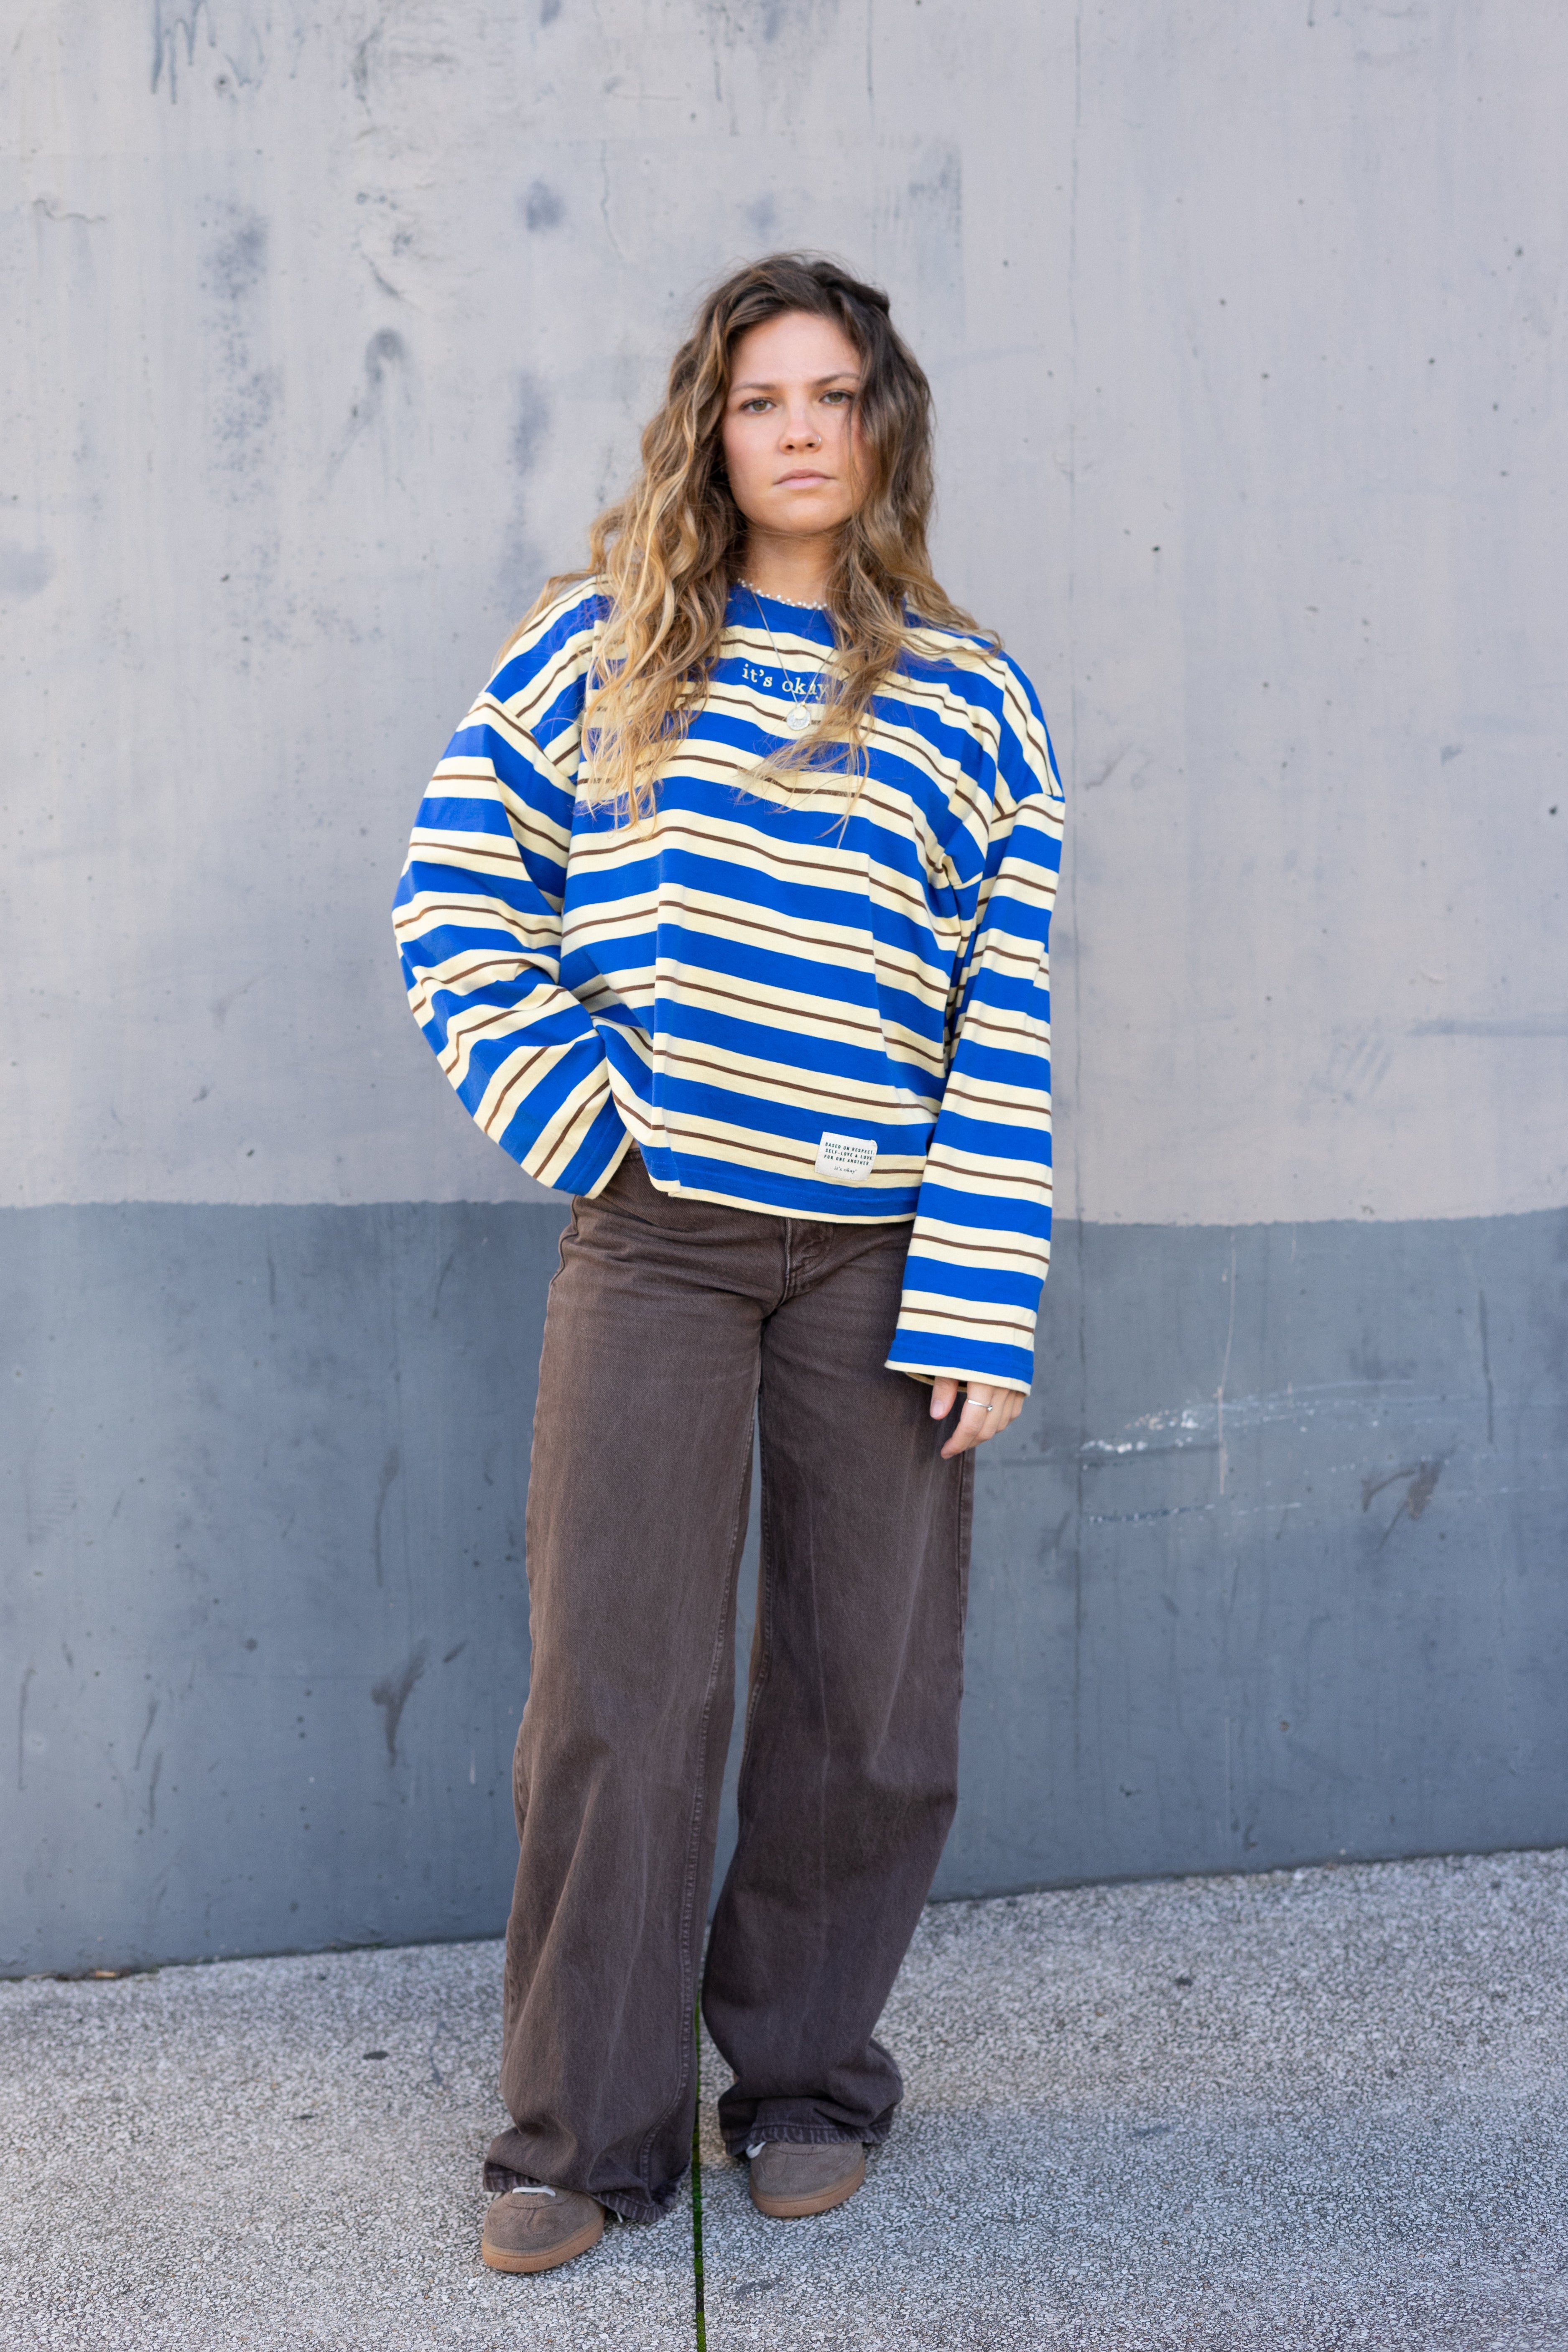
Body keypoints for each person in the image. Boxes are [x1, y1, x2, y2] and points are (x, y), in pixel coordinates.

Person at [391, 252, 1064, 2275]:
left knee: (865, 1698)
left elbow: (998, 1010)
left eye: (834, 396)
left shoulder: (968, 700)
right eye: (763, 396)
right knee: (618, 1688)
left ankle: (798, 2079)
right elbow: (449, 896)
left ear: (880, 429)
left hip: (878, 1263)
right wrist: (595, 1124)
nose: (797, 429)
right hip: (656, 1257)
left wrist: (978, 1301)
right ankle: (577, 2134)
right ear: (713, 424)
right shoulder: (598, 651)